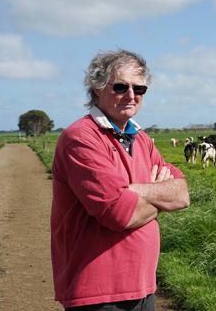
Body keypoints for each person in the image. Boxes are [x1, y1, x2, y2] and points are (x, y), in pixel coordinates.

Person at [50, 49, 189, 310]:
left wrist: (133, 191)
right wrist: (157, 194)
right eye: (120, 86)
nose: (131, 95)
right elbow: (119, 214)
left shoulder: (142, 138)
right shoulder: (81, 138)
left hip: (144, 286)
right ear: (97, 87)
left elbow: (182, 194)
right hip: (98, 293)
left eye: (140, 89)